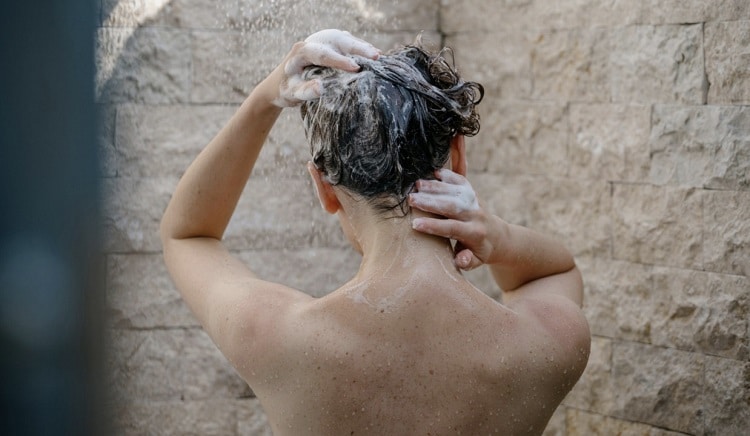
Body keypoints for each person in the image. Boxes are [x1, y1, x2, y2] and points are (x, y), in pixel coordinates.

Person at [160, 29, 590, 435]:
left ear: (324, 188)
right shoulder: (545, 345)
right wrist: (498, 237)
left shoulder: (275, 336)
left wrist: (267, 97)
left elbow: (188, 235)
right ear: (457, 159)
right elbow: (554, 272)